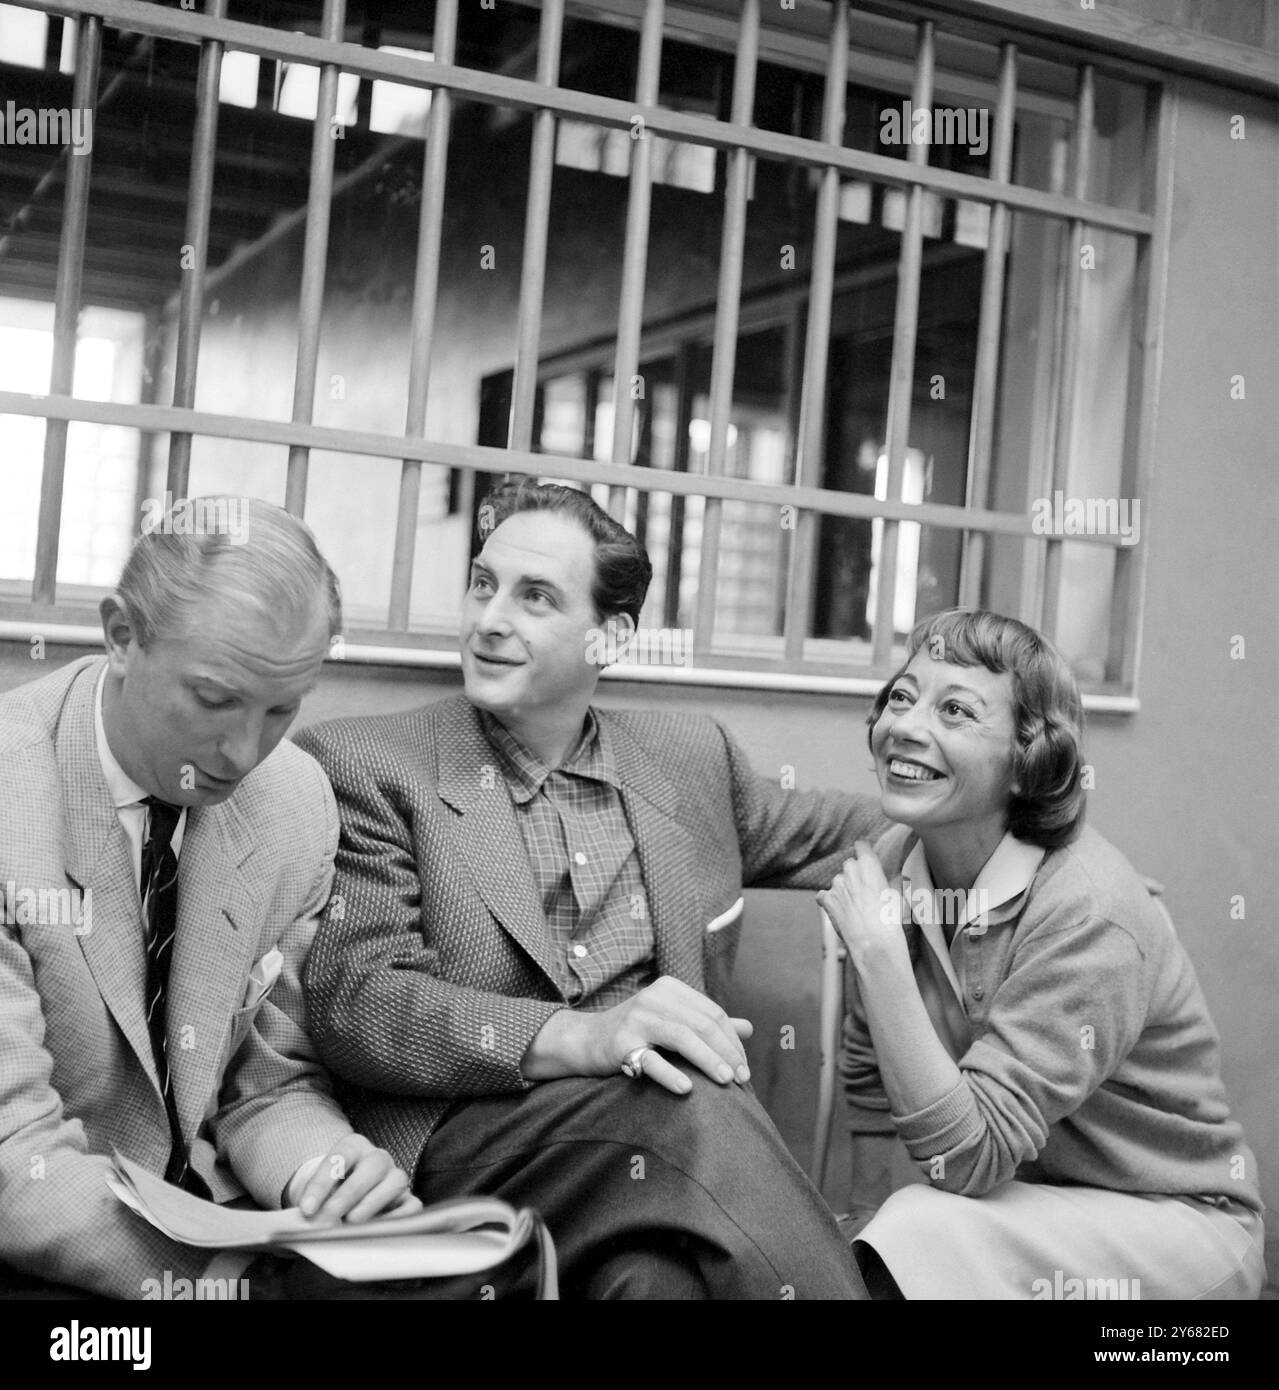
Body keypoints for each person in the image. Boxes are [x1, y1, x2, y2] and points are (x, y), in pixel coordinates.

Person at [295, 479, 887, 1299]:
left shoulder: (688, 759)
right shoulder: (371, 765)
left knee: (653, 1283)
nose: (489, 619)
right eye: (482, 583)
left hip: (649, 1168)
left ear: (609, 638)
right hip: (471, 1144)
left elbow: (860, 832)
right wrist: (587, 1036)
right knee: (690, 1100)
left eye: (534, 597)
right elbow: (361, 1006)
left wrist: (1055, 845)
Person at [0, 498, 416, 1300]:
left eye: (281, 710)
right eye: (216, 700)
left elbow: (269, 1084)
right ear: (121, 635)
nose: (243, 752)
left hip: (210, 1224)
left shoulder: (295, 800)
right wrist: (222, 1280)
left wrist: (326, 1181)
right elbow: (16, 1155)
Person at [818, 608, 1265, 1299]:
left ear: (1029, 763)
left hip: (1171, 1223)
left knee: (918, 1230)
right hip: (1022, 1206)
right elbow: (868, 1077)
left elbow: (969, 1158)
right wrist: (859, 1226)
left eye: (956, 711)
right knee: (874, 1240)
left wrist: (878, 953)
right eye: (900, 698)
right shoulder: (893, 861)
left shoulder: (1088, 910)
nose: (904, 726)